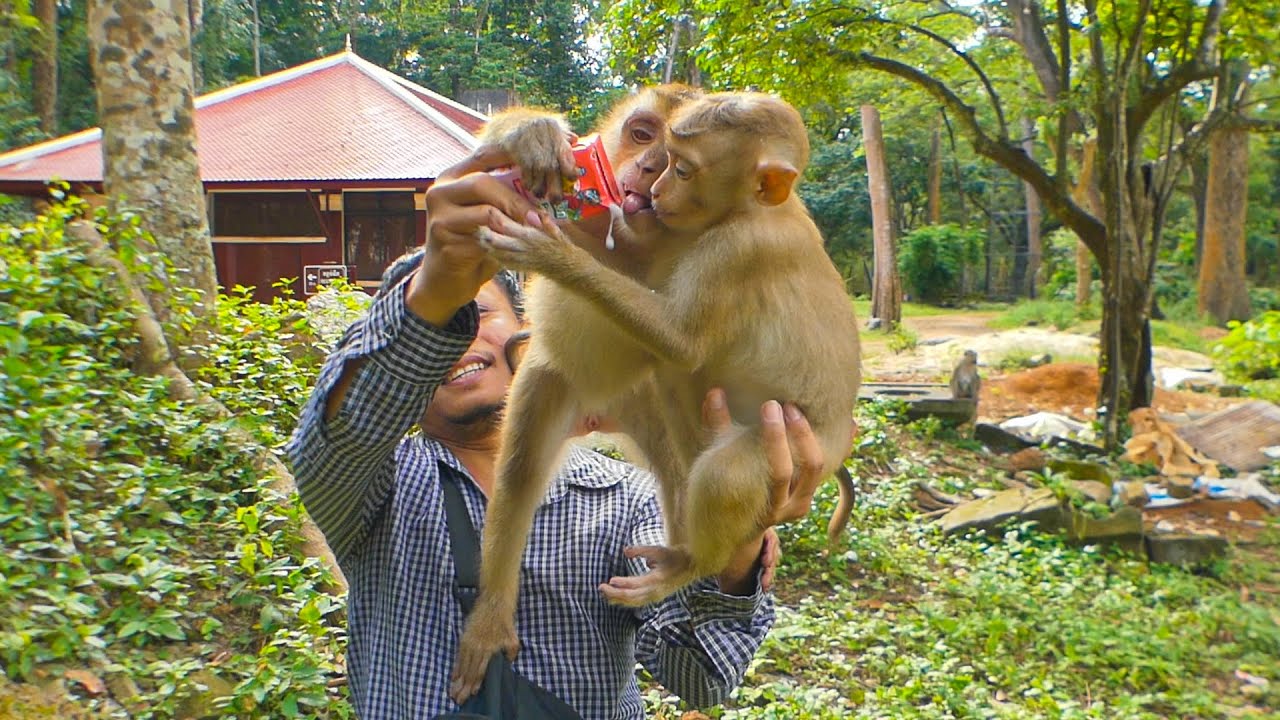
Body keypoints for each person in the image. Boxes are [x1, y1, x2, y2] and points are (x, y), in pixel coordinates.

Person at [286, 150, 830, 720]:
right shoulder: (377, 490)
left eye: (478, 315)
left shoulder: (627, 497)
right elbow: (345, 431)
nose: (462, 342)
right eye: (447, 327)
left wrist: (738, 540)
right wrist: (434, 286)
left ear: (528, 331)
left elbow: (698, 676)